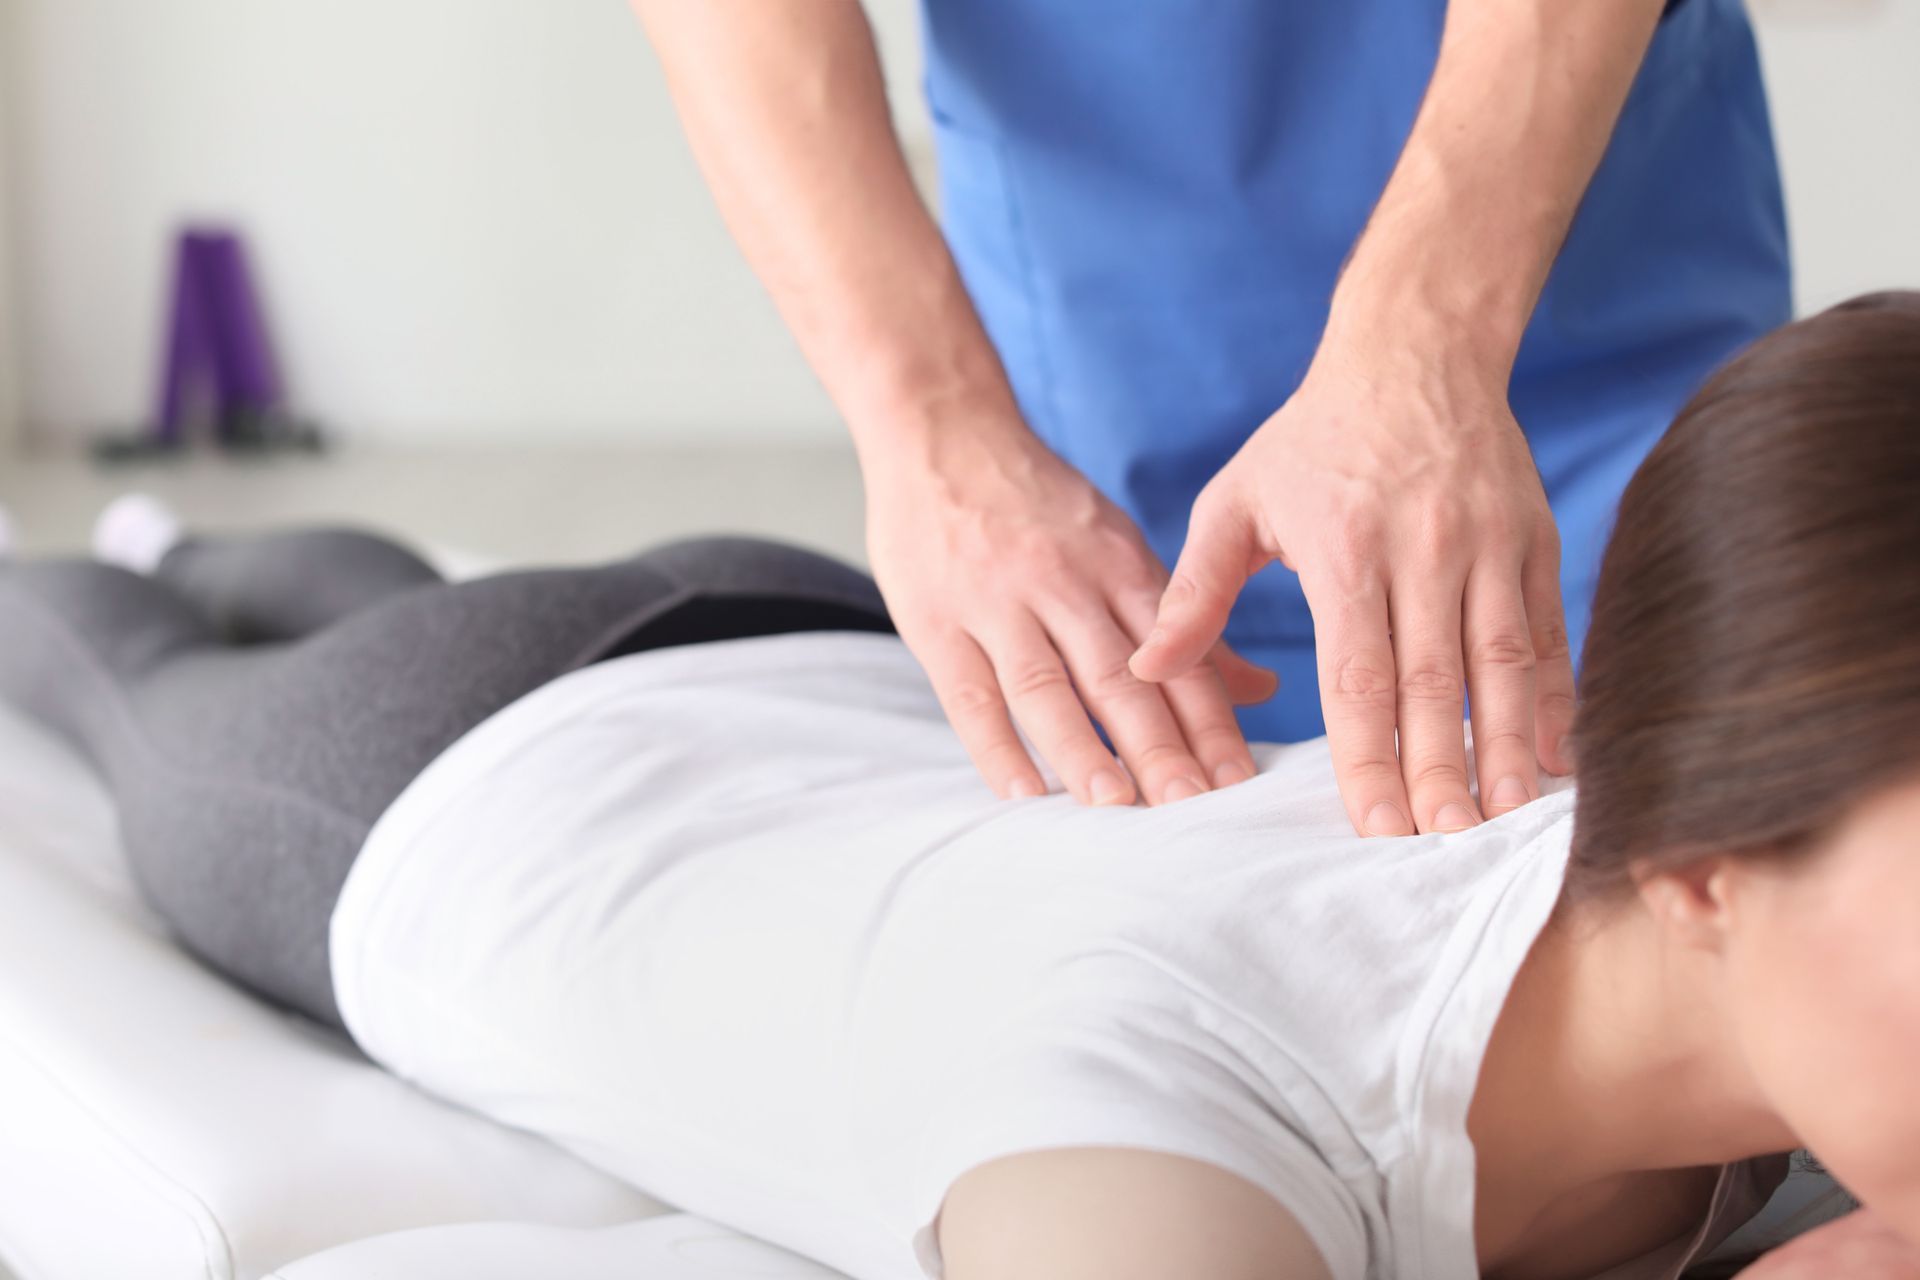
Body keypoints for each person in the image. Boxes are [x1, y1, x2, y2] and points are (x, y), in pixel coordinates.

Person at [0, 295, 1913, 1279]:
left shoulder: (1755, 921)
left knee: (344, 576)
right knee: (121, 649)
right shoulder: (1163, 1163)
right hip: (472, 771)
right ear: (1700, 860)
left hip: (855, 683)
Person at [627, 0, 1791, 842]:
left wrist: (1426, 345)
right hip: (1108, 403)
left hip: (1580, 311)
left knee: (1704, 841)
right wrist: (936, 429)